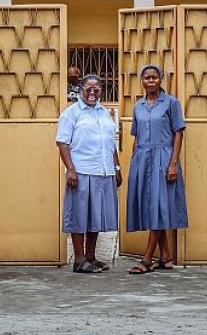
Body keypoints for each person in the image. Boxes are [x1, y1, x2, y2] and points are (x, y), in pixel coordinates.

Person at [55, 73, 121, 274]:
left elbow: (110, 144)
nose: (92, 92)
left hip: (104, 171)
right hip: (82, 171)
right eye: (88, 89)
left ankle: (91, 257)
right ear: (81, 90)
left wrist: (116, 168)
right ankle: (79, 259)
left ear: (101, 90)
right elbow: (62, 143)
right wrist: (71, 170)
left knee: (95, 216)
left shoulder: (104, 113)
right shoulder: (72, 113)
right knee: (79, 216)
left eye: (96, 89)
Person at [126, 65, 187, 274]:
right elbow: (136, 136)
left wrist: (173, 163)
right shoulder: (138, 106)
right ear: (141, 81)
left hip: (163, 158)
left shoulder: (171, 103)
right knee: (151, 206)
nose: (150, 81)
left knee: (159, 207)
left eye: (154, 77)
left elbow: (178, 133)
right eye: (146, 78)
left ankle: (146, 259)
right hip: (142, 159)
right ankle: (166, 257)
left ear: (161, 80)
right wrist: (134, 163)